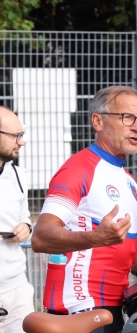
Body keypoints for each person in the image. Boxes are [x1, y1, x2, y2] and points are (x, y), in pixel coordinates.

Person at [31, 86, 137, 333]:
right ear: (98, 121)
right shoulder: (78, 169)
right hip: (78, 309)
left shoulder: (128, 179)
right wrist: (96, 238)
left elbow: (133, 244)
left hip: (112, 309)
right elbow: (41, 237)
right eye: (127, 117)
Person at [0, 106, 34, 333]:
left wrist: (26, 227)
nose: (21, 142)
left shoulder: (19, 176)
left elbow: (25, 217)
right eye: (16, 136)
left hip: (18, 287)